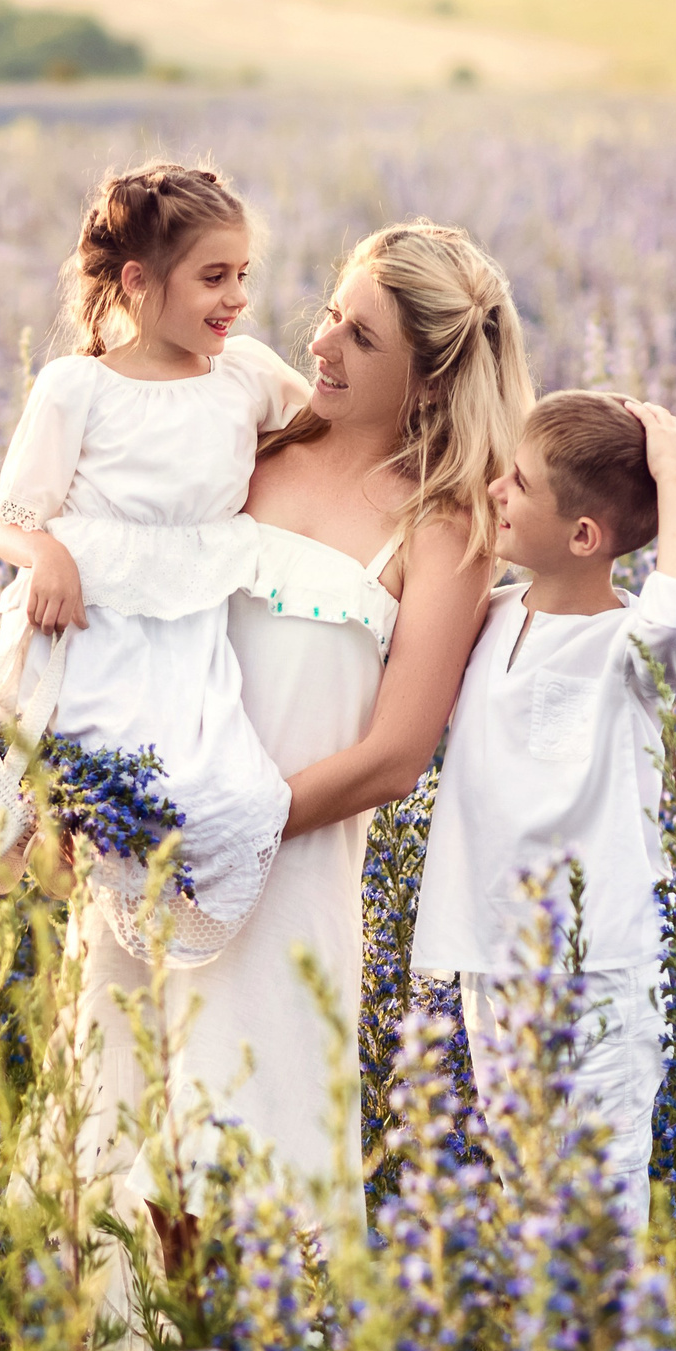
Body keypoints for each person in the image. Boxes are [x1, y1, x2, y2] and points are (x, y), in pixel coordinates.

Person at [75, 219, 533, 1262]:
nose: (321, 344)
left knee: (252, 1196)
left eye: (361, 339)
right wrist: (91, 797)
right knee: (109, 1170)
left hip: (278, 890)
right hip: (139, 870)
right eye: (331, 313)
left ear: (426, 379)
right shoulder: (253, 441)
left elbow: (397, 753)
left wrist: (228, 830)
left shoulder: (441, 525)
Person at [409, 390, 676, 1235]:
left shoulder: (630, 651)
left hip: (594, 979)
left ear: (585, 537)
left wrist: (674, 474)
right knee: (529, 1205)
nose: (495, 492)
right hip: (492, 961)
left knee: (596, 1228)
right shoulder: (493, 614)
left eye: (517, 483)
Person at [0, 161, 306, 967]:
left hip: (187, 626)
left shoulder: (246, 374)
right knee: (70, 750)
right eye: (212, 278)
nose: (236, 297)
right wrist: (46, 551)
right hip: (92, 617)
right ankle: (40, 820)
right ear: (137, 280)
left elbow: (326, 434)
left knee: (223, 791)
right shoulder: (77, 386)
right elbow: (8, 519)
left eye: (243, 275)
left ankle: (130, 881)